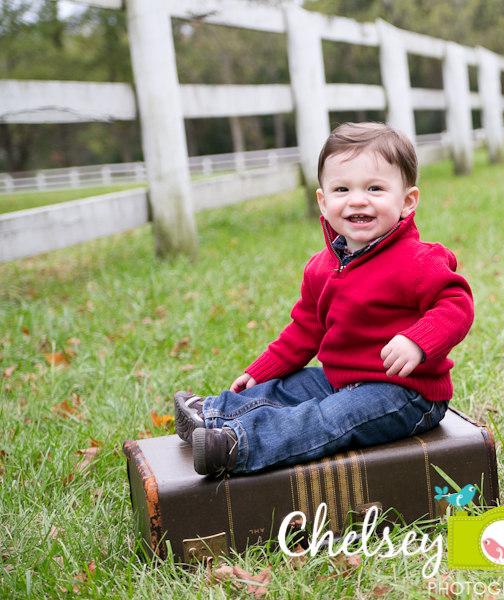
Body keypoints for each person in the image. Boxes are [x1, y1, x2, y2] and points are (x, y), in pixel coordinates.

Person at [173, 122, 474, 476]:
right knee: (287, 389)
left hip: (407, 394)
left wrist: (418, 341)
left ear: (407, 201)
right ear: (324, 200)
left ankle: (238, 444)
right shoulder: (321, 267)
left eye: (375, 188)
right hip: (339, 378)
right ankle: (211, 414)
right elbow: (304, 330)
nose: (357, 199)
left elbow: (456, 304)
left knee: (328, 418)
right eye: (342, 189)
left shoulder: (418, 260)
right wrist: (261, 372)